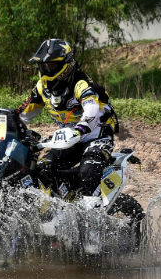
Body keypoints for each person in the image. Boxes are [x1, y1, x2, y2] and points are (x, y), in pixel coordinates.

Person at [15, 38, 118, 197]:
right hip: (69, 139)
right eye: (43, 66)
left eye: (51, 65)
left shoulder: (81, 83)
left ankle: (94, 214)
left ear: (66, 65)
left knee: (88, 172)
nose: (46, 69)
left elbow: (91, 109)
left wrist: (79, 129)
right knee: (44, 170)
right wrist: (6, 122)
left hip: (97, 135)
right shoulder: (42, 88)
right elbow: (22, 114)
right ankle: (64, 205)